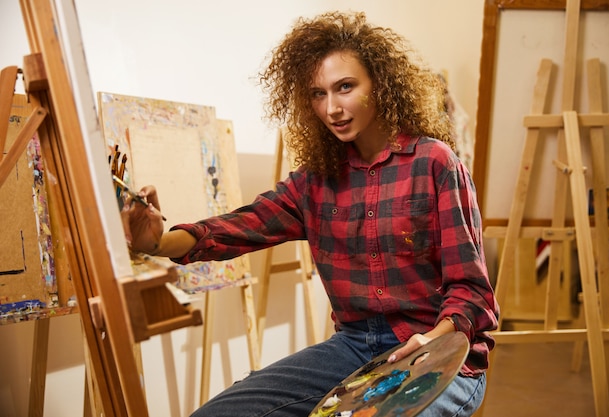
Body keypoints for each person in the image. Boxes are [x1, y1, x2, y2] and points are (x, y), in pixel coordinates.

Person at [122, 11, 499, 417]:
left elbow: (472, 292)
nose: (333, 108)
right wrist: (157, 243)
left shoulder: (434, 163)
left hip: (444, 352)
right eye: (318, 94)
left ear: (381, 84)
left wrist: (436, 342)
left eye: (345, 87)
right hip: (355, 349)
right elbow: (237, 228)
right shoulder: (315, 182)